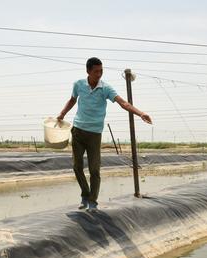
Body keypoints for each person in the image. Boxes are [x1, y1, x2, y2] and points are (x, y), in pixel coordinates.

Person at [57, 57, 152, 212]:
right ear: (88, 71)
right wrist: (61, 114)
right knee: (77, 166)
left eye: (101, 71)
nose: (99, 74)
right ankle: (85, 195)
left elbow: (123, 103)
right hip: (78, 130)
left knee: (95, 169)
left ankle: (93, 201)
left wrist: (140, 113)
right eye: (96, 71)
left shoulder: (106, 88)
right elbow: (72, 100)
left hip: (94, 134)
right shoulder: (79, 85)